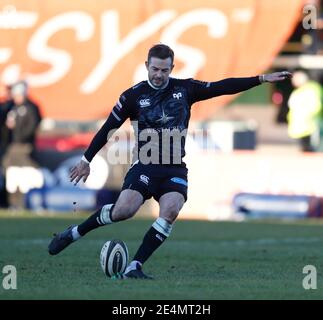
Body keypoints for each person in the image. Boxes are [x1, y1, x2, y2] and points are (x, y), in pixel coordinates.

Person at [48, 44, 291, 279]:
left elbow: (222, 87)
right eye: (155, 69)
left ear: (172, 68)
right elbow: (108, 129)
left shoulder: (185, 89)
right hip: (144, 165)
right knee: (124, 211)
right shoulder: (133, 96)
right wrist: (85, 159)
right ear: (147, 66)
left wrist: (260, 79)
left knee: (171, 209)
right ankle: (75, 232)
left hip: (174, 167)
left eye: (164, 70)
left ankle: (135, 265)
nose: (159, 75)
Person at [2, 80, 42, 207]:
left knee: (25, 177)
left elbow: (31, 127)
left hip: (24, 147)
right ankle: (12, 203)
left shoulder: (31, 107)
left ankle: (29, 203)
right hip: (11, 148)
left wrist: (18, 131)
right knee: (11, 177)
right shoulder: (10, 106)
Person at [287, 70, 323, 152]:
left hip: (311, 125)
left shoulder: (311, 89)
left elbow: (316, 105)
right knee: (305, 149)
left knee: (312, 149)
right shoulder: (299, 90)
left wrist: (308, 116)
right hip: (302, 127)